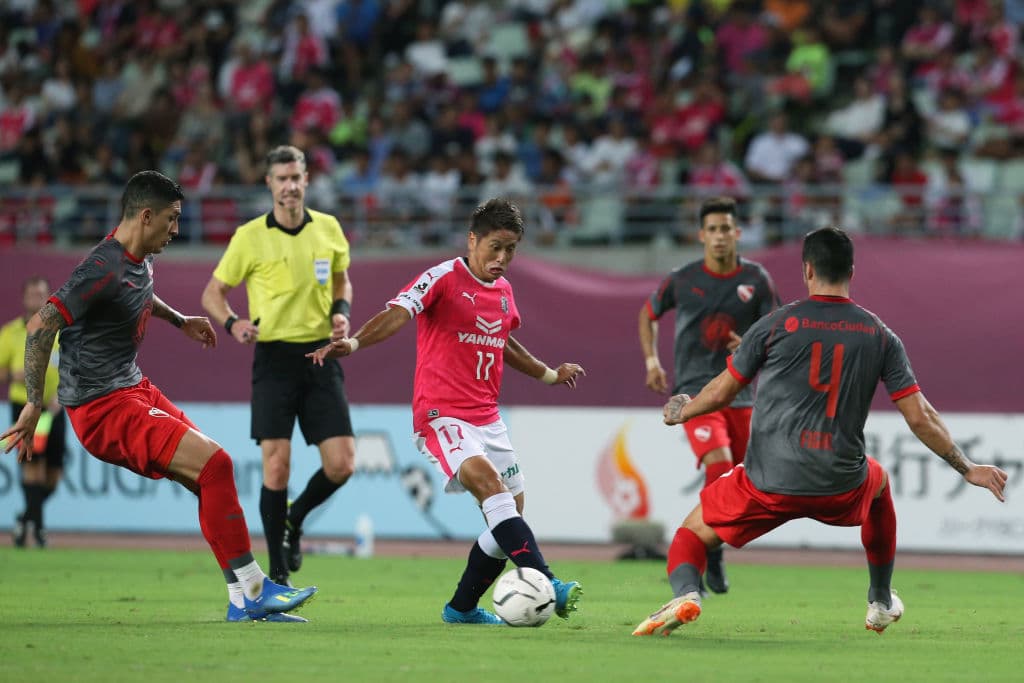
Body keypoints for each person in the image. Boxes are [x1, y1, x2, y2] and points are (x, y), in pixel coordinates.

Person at [633, 227, 1008, 637]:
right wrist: (966, 467)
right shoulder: (879, 334)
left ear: (807, 270)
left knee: (691, 533)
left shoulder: (775, 324)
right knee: (879, 484)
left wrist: (684, 410)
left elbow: (722, 391)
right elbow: (920, 417)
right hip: (840, 480)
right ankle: (880, 600)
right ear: (851, 270)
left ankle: (687, 593)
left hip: (768, 481)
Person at [1, 171, 317, 623]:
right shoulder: (101, 265)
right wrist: (34, 401)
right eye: (171, 220)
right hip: (102, 407)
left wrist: (177, 318)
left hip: (132, 387)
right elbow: (42, 323)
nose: (175, 230)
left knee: (206, 477)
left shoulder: (137, 258)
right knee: (217, 465)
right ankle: (254, 589)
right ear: (145, 216)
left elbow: (138, 292)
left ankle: (241, 600)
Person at [307, 198, 585, 625]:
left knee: (510, 514)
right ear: (472, 239)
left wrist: (549, 374)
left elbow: (504, 341)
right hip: (442, 415)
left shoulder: (504, 291)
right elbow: (397, 313)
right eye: (495, 246)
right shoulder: (442, 277)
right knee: (492, 490)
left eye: (511, 250)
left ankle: (461, 609)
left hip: (488, 418)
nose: (502, 258)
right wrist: (356, 343)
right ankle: (548, 582)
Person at [201, 145, 357, 587]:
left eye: (296, 177)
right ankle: (278, 573)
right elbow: (212, 293)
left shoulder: (328, 228)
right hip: (273, 357)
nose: (289, 185)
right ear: (269, 184)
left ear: (307, 180)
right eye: (281, 179)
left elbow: (343, 277)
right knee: (276, 467)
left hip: (320, 354)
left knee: (342, 463)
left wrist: (341, 310)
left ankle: (294, 518)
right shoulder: (250, 236)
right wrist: (233, 323)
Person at [638, 196, 779, 593]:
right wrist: (651, 361)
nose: (720, 236)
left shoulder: (757, 280)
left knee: (749, 478)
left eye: (726, 229)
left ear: (737, 233)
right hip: (696, 395)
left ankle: (715, 541)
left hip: (741, 395)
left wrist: (751, 343)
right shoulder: (683, 278)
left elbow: (778, 333)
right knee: (719, 466)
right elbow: (647, 314)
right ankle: (709, 553)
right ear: (702, 235)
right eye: (712, 229)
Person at [0, 277, 66, 548]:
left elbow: (71, 369)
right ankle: (38, 531)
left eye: (41, 294)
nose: (36, 299)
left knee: (53, 476)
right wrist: (13, 375)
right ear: (24, 297)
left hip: (54, 408)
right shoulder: (11, 333)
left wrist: (61, 396)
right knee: (32, 468)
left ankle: (24, 519)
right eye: (32, 294)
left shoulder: (60, 332)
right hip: (24, 408)